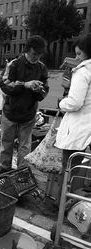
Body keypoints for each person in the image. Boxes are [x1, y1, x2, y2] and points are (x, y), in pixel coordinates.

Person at [0, 35, 49, 174]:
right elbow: (4, 85)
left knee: (25, 146)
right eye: (33, 54)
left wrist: (39, 90)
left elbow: (44, 92)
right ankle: (4, 168)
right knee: (6, 142)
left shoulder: (42, 68)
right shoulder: (13, 64)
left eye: (39, 55)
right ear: (27, 50)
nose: (36, 57)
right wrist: (25, 85)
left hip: (29, 113)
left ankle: (22, 172)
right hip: (10, 110)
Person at [55, 33, 91, 185]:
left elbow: (75, 103)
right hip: (87, 126)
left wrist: (62, 103)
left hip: (78, 127)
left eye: (79, 54)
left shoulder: (83, 71)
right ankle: (76, 202)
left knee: (70, 167)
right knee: (82, 169)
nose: (76, 58)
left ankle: (63, 204)